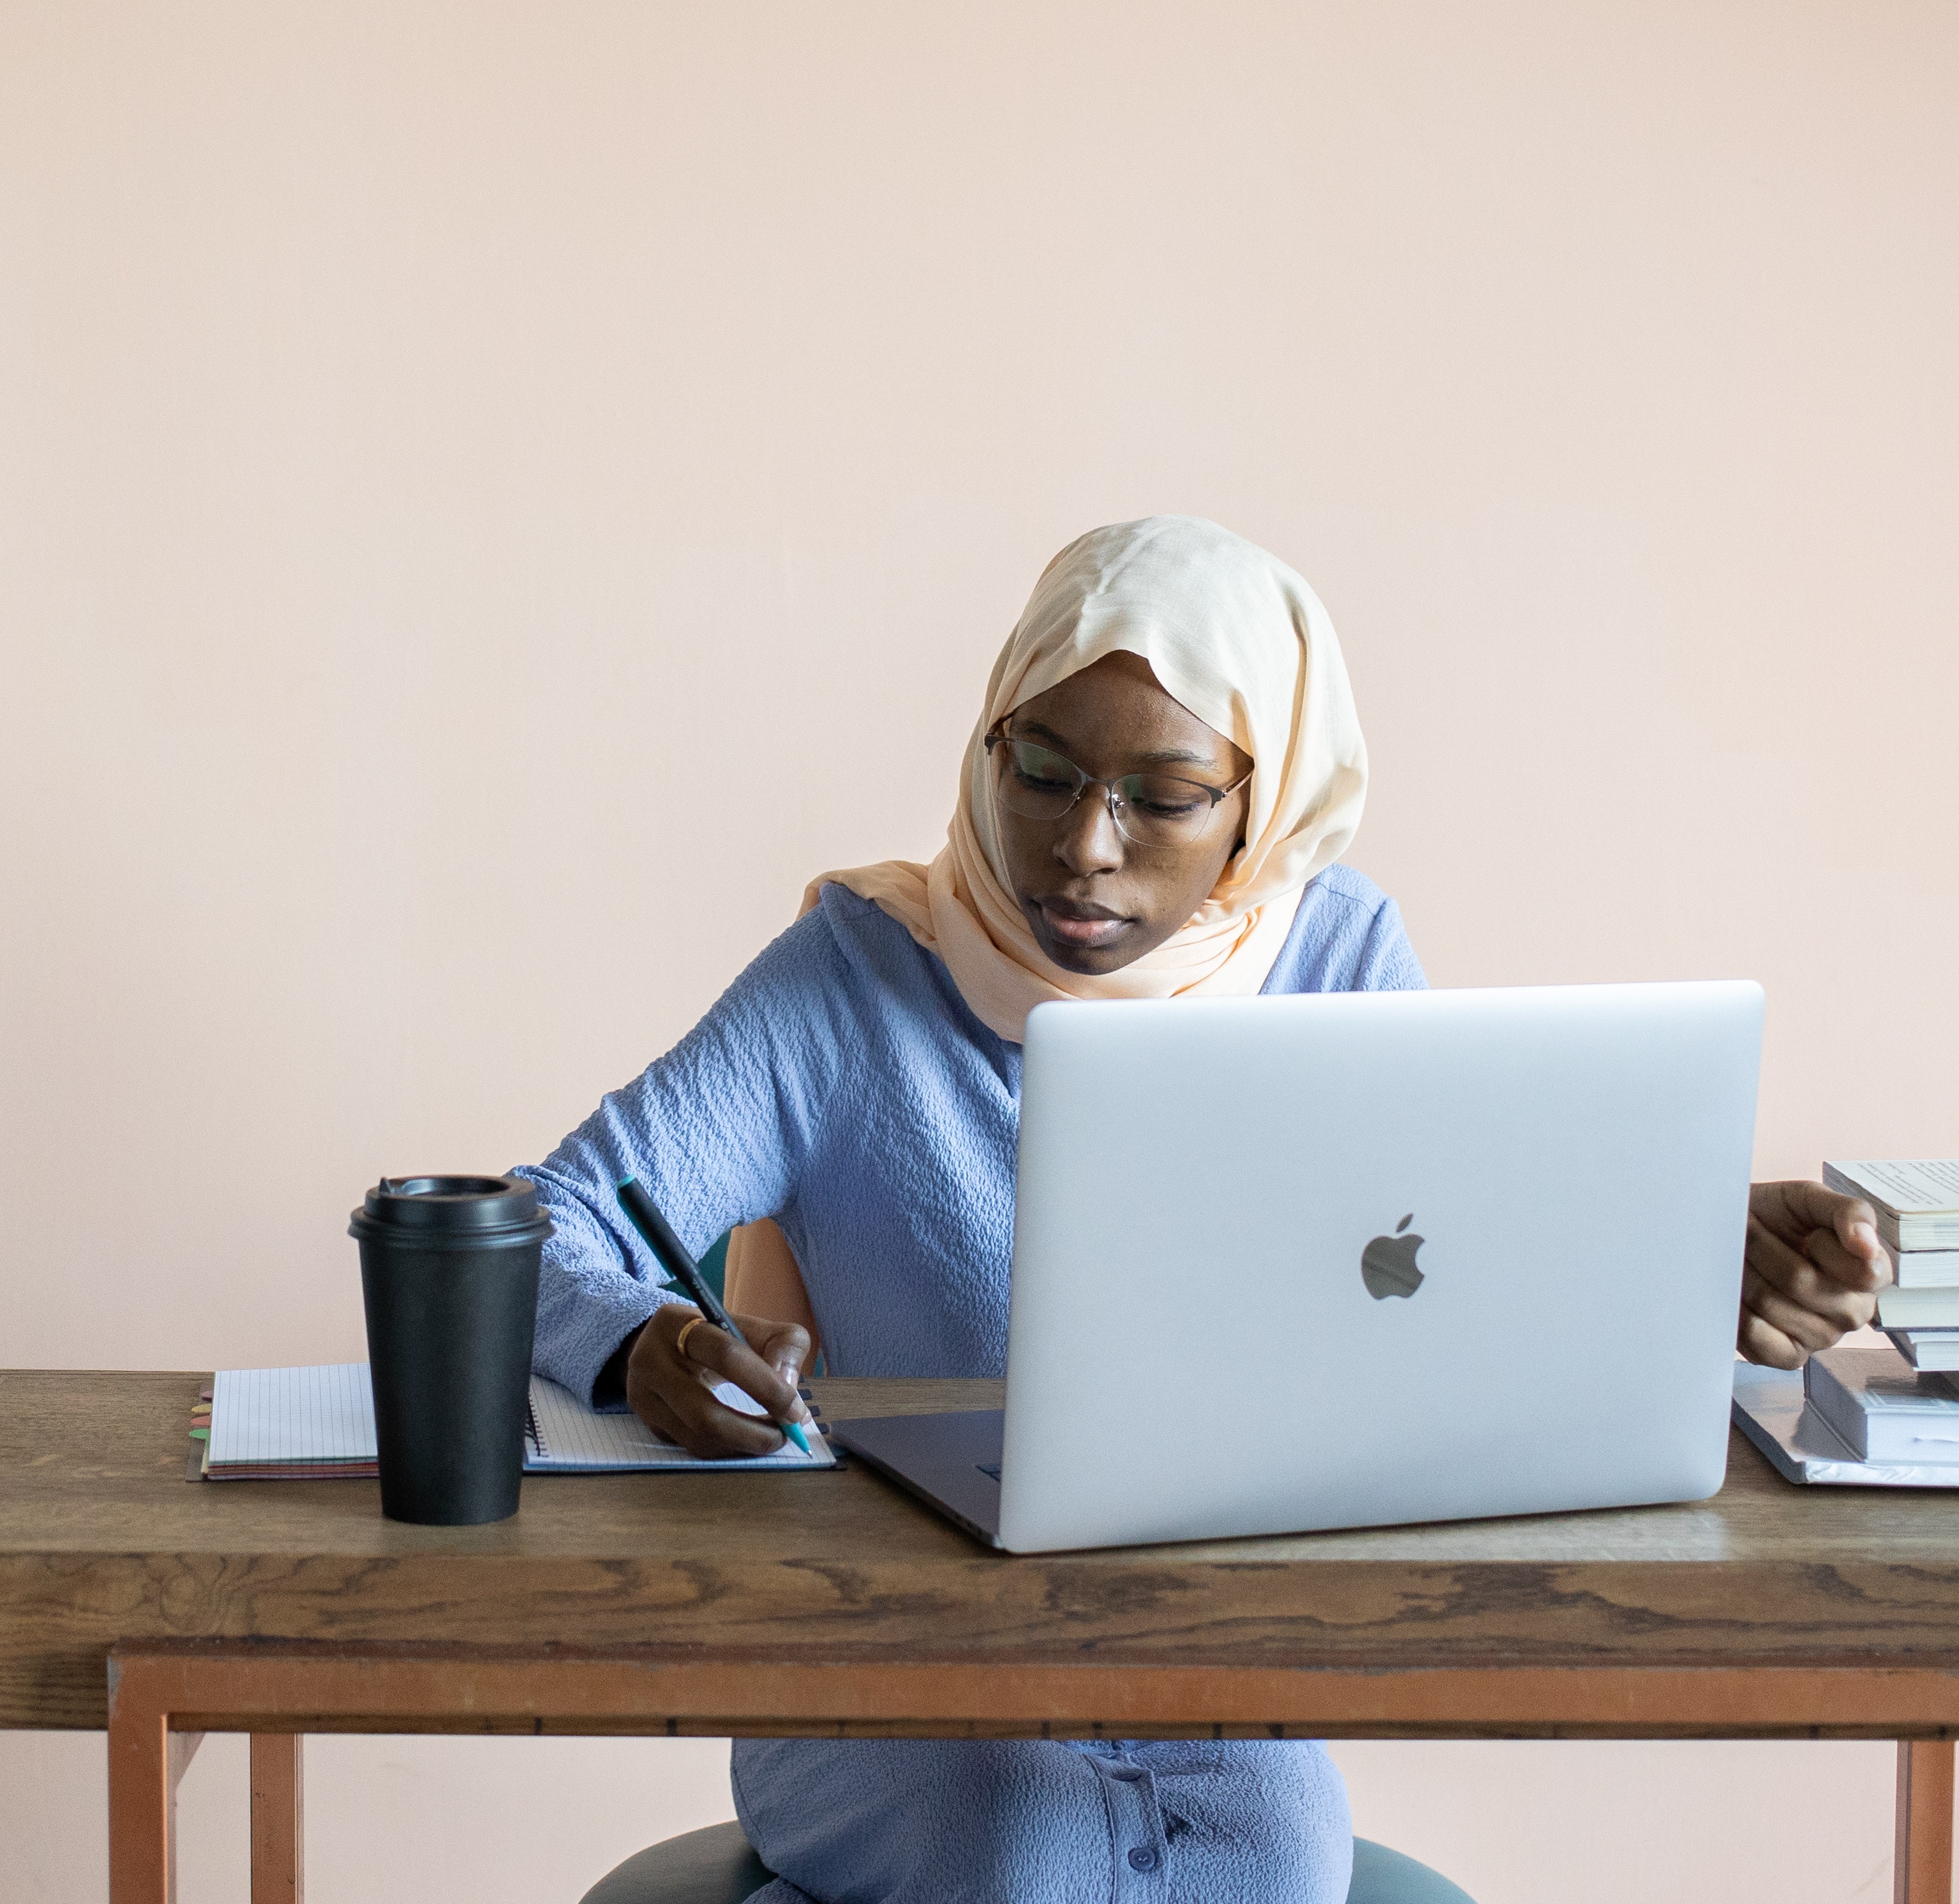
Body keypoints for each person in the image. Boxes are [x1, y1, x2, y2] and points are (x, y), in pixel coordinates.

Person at [510, 516, 1884, 1904]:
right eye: (1039, 772)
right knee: (1021, 1844)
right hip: (895, 1674)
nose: (1082, 846)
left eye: (1163, 798)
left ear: (1257, 799)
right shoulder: (855, 978)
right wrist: (644, 1343)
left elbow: (1457, 1269)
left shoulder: (1338, 955)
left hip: (1215, 1673)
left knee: (1276, 1850)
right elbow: (542, 1219)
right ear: (989, 743)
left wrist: (1691, 1259)